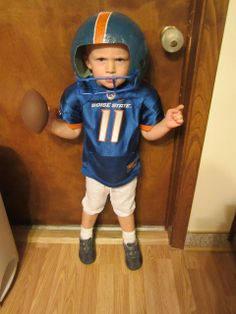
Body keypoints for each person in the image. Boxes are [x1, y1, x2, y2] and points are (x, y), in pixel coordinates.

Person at [47, 11, 184, 270]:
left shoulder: (143, 95)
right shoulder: (79, 93)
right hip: (95, 169)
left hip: (127, 169)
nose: (110, 68)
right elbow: (73, 131)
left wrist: (166, 123)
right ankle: (85, 236)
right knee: (92, 205)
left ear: (135, 60)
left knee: (125, 209)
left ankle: (129, 240)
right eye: (101, 59)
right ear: (87, 61)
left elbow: (148, 133)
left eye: (120, 59)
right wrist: (49, 123)